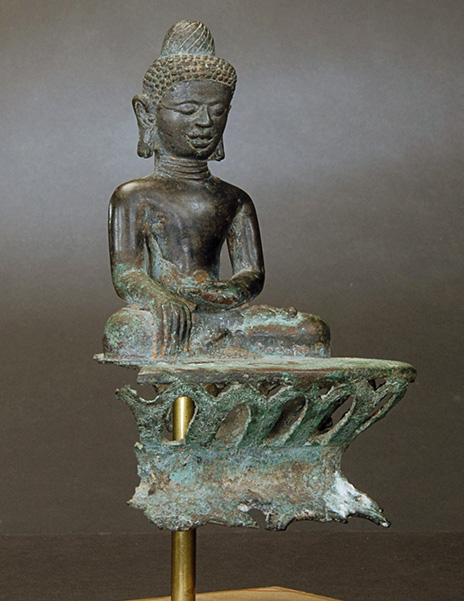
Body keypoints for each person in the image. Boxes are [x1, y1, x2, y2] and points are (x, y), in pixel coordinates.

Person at [102, 20, 330, 362]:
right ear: (147, 114)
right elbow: (127, 273)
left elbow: (251, 272)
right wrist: (160, 299)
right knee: (124, 330)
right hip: (168, 315)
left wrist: (230, 292)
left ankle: (215, 341)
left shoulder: (234, 199)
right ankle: (213, 341)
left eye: (217, 110)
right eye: (188, 109)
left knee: (312, 331)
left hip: (223, 314)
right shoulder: (133, 196)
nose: (205, 122)